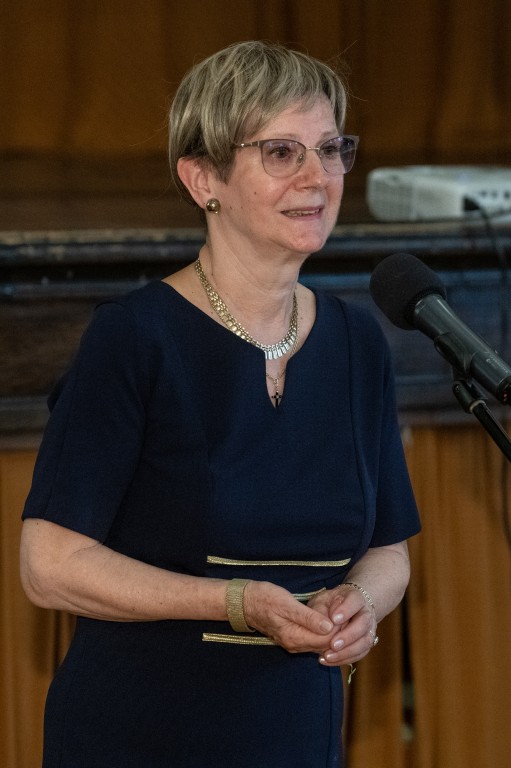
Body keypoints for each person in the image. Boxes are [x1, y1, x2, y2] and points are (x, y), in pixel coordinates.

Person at [20, 40, 420, 768]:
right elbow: (49, 565)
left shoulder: (358, 341)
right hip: (140, 735)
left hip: (296, 733)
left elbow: (388, 550)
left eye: (331, 149)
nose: (317, 177)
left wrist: (361, 602)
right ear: (203, 177)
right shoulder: (135, 338)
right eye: (281, 152)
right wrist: (234, 602)